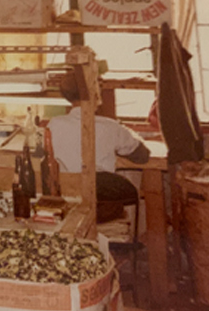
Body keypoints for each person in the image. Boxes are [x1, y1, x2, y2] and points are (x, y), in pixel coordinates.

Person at [47, 71, 150, 222]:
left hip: (68, 199)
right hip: (102, 201)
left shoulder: (54, 124)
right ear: (96, 94)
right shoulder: (109, 126)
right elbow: (142, 155)